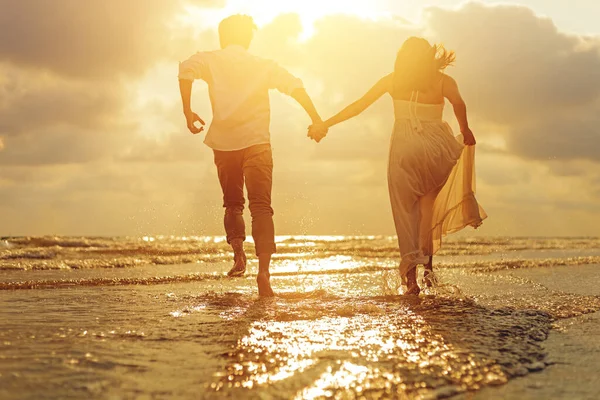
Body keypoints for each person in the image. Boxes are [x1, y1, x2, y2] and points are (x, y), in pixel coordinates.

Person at [309, 37, 487, 295]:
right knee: (428, 210)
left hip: (405, 148)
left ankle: (411, 279)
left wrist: (325, 124)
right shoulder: (442, 81)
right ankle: (429, 269)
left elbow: (359, 106)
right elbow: (459, 103)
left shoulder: (392, 80)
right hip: (436, 148)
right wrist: (464, 129)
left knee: (406, 213)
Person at [178, 15, 323, 297]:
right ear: (248, 38)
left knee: (233, 204)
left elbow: (185, 71)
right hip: (257, 142)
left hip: (224, 143)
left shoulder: (210, 59)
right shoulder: (263, 65)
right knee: (261, 207)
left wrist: (187, 110)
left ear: (223, 37)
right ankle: (264, 274)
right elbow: (295, 86)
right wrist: (315, 118)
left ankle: (238, 256)